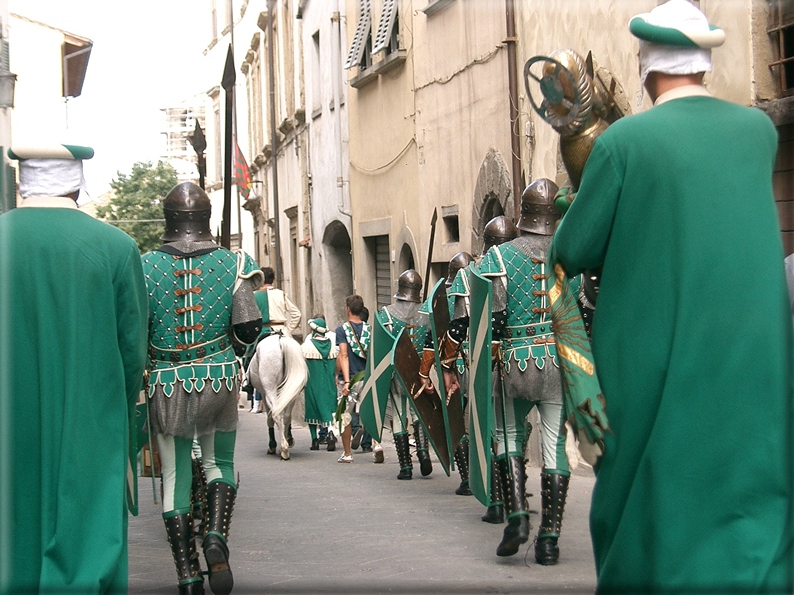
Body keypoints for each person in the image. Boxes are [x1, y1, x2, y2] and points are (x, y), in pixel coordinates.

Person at [551, 1, 793, 591]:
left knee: (650, 528)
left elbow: (563, 259)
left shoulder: (621, 146)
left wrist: (581, 374)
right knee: (752, 527)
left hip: (652, 378)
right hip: (752, 378)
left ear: (646, 66)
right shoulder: (759, 133)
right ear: (704, 63)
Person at [0, 144, 148, 593]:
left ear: (22, 181)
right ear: (77, 182)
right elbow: (132, 354)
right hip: (90, 424)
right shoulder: (117, 247)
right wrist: (124, 422)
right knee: (86, 537)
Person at [142, 181, 263, 595]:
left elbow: (136, 329)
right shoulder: (234, 262)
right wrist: (231, 346)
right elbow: (248, 327)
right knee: (220, 466)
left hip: (167, 381)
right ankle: (215, 536)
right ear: (205, 217)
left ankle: (188, 576)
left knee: (176, 476)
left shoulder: (143, 266)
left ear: (169, 218)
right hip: (219, 378)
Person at [477, 179, 570, 561]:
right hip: (558, 365)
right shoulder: (569, 254)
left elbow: (492, 320)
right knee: (554, 445)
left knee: (507, 434)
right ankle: (549, 540)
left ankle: (516, 514)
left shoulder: (498, 257)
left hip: (515, 363)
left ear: (525, 213)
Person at [441, 216, 518, 519]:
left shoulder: (469, 274)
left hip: (479, 363)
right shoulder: (525, 266)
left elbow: (458, 327)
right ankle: (515, 495)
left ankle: (497, 499)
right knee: (513, 431)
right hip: (519, 360)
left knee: (484, 428)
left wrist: (447, 365)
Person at [377, 270, 432, 479]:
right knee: (419, 412)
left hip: (397, 372)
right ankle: (424, 452)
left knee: (400, 415)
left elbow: (381, 346)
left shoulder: (387, 314)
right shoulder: (426, 313)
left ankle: (406, 467)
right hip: (420, 371)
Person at [250, 266, 302, 413]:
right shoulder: (282, 294)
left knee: (251, 354)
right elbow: (296, 314)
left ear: (261, 280)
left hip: (263, 331)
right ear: (273, 279)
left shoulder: (254, 296)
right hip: (282, 330)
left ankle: (248, 383)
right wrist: (289, 329)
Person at [334, 295, 376, 463]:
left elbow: (343, 355)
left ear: (348, 309)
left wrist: (346, 382)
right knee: (372, 414)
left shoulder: (342, 330)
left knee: (345, 416)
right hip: (367, 378)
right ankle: (377, 444)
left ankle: (347, 453)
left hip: (351, 378)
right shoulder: (370, 330)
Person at [301, 317, 339, 450]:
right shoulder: (333, 345)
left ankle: (314, 440)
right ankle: (330, 433)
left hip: (313, 383)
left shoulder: (307, 346)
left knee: (312, 409)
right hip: (329, 383)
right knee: (330, 409)